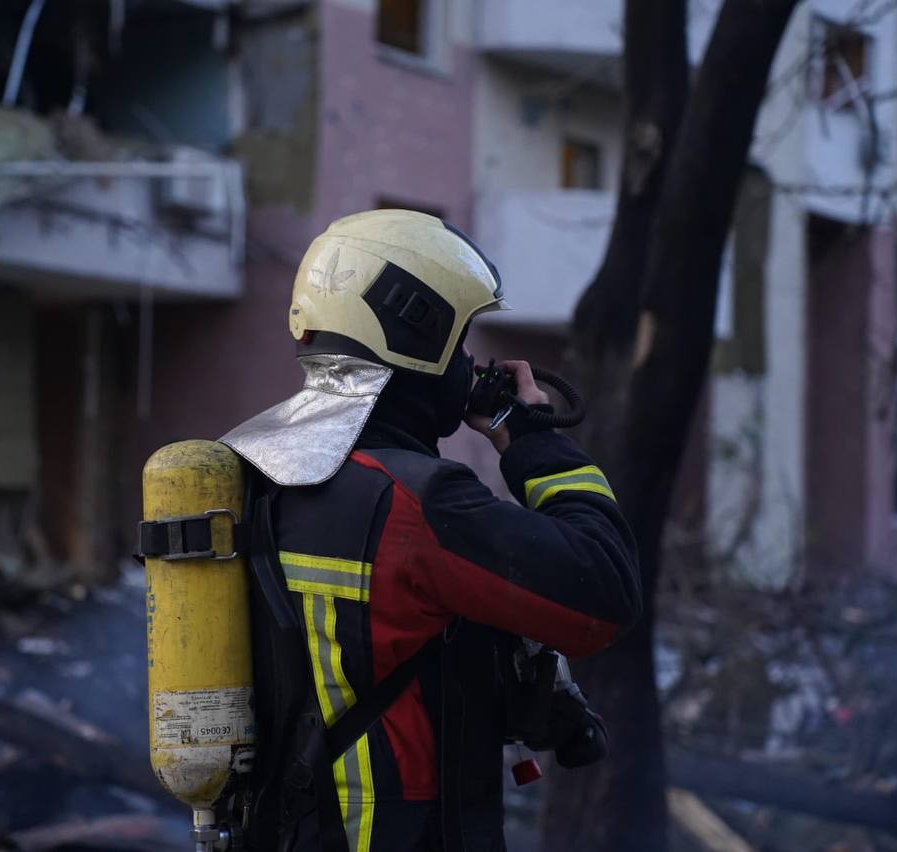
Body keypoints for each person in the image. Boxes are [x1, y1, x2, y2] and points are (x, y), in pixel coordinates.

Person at [219, 209, 641, 852]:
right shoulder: (414, 502)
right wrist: (531, 440)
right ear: (418, 335)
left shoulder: (249, 468)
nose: (469, 363)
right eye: (461, 341)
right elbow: (605, 590)